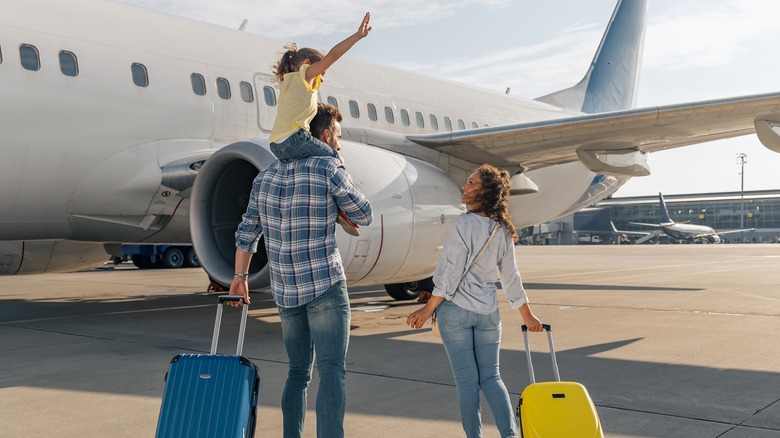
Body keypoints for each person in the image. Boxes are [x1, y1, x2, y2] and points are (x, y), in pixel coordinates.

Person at [229, 103, 373, 438]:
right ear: (324, 135)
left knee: (297, 373)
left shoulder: (264, 177)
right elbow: (363, 213)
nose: (338, 143)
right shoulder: (327, 166)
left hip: (286, 293)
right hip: (324, 284)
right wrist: (340, 170)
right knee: (332, 372)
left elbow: (246, 234)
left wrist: (240, 279)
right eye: (336, 136)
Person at [406, 164, 543, 438]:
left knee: (467, 382)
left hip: (455, 313)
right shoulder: (502, 230)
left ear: (485, 191)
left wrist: (428, 308)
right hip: (488, 314)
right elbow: (510, 277)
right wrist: (528, 316)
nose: (464, 187)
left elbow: (450, 272)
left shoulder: (464, 223)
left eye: (471, 183)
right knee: (492, 378)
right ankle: (510, 434)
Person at [268, 13, 371, 236]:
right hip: (295, 138)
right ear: (307, 64)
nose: (322, 78)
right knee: (334, 159)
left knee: (309, 169)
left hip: (276, 144)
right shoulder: (305, 75)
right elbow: (333, 55)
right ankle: (340, 209)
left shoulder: (286, 82)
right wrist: (356, 37)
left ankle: (316, 202)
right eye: (321, 72)